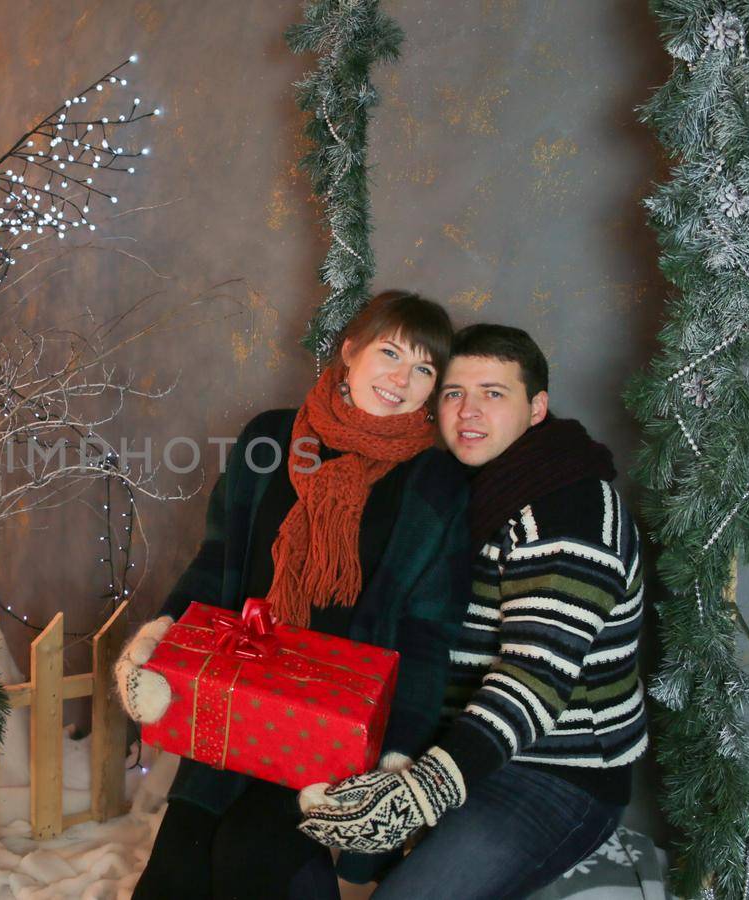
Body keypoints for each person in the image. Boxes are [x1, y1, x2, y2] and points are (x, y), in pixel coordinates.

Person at [117, 291, 475, 899]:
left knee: (251, 858)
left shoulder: (436, 482)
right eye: (389, 353)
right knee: (177, 867)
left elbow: (428, 633)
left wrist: (397, 756)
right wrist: (161, 637)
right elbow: (217, 559)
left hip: (333, 728)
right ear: (350, 352)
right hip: (239, 694)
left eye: (424, 369)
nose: (401, 379)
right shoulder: (271, 439)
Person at [297, 324, 649, 899]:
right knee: (284, 851)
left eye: (494, 392)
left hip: (555, 771)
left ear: (537, 408)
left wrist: (424, 789)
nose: (468, 412)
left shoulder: (569, 510)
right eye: (454, 393)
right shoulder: (476, 485)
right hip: (462, 742)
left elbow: (535, 681)